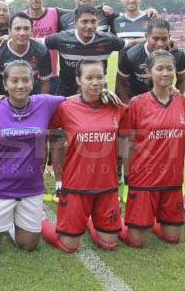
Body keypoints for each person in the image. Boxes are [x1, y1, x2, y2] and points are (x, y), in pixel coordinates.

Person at [0, 61, 65, 253]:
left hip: (31, 188)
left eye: (25, 80)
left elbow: (78, 100)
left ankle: (17, 220)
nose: (20, 85)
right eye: (14, 80)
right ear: (5, 83)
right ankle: (1, 219)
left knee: (28, 246)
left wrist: (103, 93)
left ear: (32, 83)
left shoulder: (45, 102)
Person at [48, 60, 127, 253]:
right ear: (78, 80)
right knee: (69, 246)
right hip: (76, 186)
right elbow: (43, 122)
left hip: (107, 186)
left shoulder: (116, 106)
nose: (95, 82)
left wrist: (173, 93)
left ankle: (91, 221)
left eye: (100, 77)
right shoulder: (66, 107)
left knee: (109, 244)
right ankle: (41, 225)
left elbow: (142, 113)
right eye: (89, 78)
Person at [119, 50, 185, 248]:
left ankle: (152, 223)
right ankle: (102, 224)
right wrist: (127, 173)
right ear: (149, 72)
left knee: (173, 238)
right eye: (160, 68)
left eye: (170, 68)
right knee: (136, 242)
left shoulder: (181, 101)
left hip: (172, 180)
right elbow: (126, 139)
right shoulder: (137, 103)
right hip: (144, 179)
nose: (165, 73)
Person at [45, 6, 131, 97]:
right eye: (84, 21)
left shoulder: (108, 40)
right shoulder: (61, 38)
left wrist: (147, 37)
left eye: (93, 21)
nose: (89, 26)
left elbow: (130, 43)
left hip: (98, 95)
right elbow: (39, 43)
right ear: (75, 23)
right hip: (66, 95)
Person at [0, 12, 52, 97]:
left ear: (31, 31)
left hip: (31, 100)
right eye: (17, 28)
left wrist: (40, 105)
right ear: (9, 31)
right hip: (2, 100)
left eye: (26, 28)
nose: (22, 33)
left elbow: (45, 82)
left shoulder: (41, 51)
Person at [116, 18, 185, 103]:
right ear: (146, 37)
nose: (160, 44)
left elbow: (182, 80)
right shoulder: (130, 55)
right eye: (155, 39)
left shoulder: (178, 55)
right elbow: (121, 82)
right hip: (137, 104)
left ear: (169, 37)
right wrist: (128, 106)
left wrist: (175, 102)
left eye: (164, 39)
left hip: (163, 103)